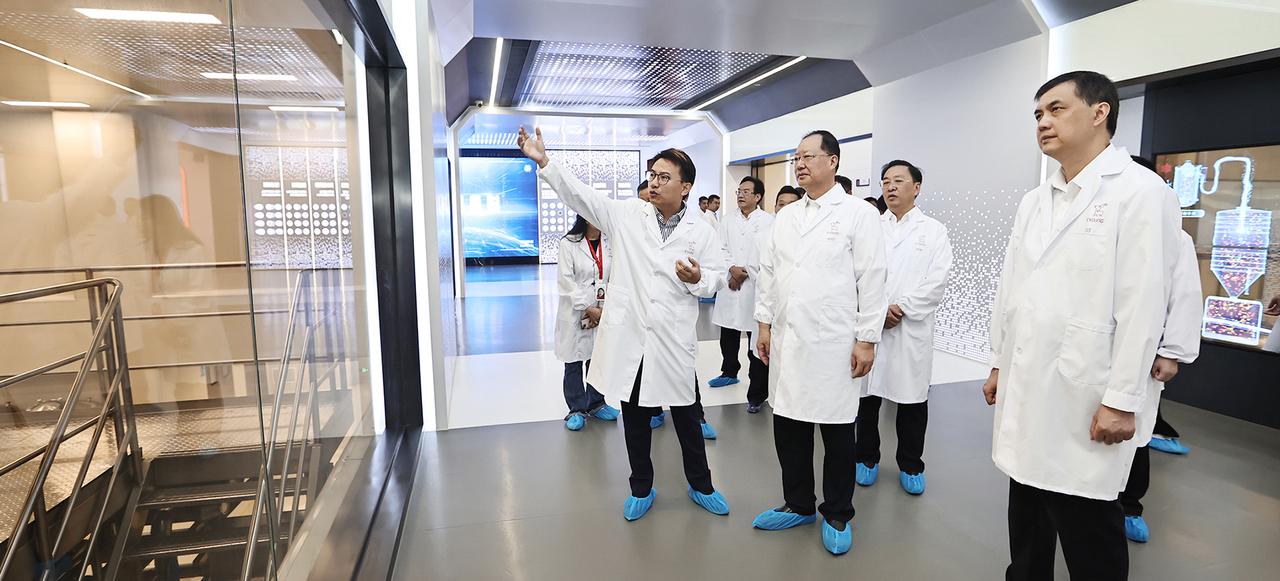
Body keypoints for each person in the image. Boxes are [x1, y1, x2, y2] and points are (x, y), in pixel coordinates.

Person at [984, 71, 1181, 581]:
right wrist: (999, 362)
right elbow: (1013, 290)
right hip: (1029, 380)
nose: (1043, 122)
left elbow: (1143, 304)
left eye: (1056, 109)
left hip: (1087, 389)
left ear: (1100, 113)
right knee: (1026, 509)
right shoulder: (1035, 199)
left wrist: (1122, 399)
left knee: (1086, 522)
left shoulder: (1140, 191)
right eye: (1037, 114)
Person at [518, 126, 732, 521]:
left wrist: (698, 278)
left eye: (664, 177)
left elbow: (717, 277)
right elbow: (581, 195)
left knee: (687, 416)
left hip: (672, 338)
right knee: (634, 417)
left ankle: (702, 484)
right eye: (652, 175)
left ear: (685, 187)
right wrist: (545, 162)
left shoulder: (701, 231)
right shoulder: (628, 215)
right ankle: (641, 487)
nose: (654, 182)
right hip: (632, 335)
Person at [752, 130, 888, 555]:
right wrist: (763, 324)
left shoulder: (857, 214)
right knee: (788, 425)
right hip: (788, 339)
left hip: (833, 342)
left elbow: (873, 278)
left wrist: (867, 339)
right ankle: (798, 504)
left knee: (836, 431)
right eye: (796, 158)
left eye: (808, 156)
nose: (800, 164)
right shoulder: (787, 216)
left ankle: (838, 512)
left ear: (833, 161)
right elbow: (769, 272)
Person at [856, 160, 953, 495]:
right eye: (885, 181)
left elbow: (937, 280)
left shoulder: (934, 231)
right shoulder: (871, 226)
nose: (890, 187)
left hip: (911, 329)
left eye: (898, 180)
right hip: (873, 326)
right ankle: (866, 458)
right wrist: (878, 310)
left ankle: (911, 464)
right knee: (867, 399)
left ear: (917, 187)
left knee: (912, 401)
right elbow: (859, 273)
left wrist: (902, 308)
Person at [1119, 223, 1201, 543]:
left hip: (1142, 351)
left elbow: (1185, 295)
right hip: (1091, 350)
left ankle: (1129, 507)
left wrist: (1172, 352)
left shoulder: (1174, 236)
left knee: (1136, 430)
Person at [707, 177, 774, 415]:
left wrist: (744, 272)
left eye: (746, 191)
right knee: (728, 333)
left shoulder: (769, 221)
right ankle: (729, 372)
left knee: (755, 341)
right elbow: (719, 248)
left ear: (758, 197)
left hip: (754, 286)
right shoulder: (727, 220)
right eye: (739, 191)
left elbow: (767, 254)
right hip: (731, 283)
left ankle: (757, 393)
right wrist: (732, 269)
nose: (741, 195)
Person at [555, 215, 622, 431]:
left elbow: (616, 276)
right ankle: (576, 409)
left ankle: (596, 403)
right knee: (574, 360)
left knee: (597, 359)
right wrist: (587, 308)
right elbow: (566, 281)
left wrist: (604, 308)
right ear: (584, 217)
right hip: (576, 311)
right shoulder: (568, 243)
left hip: (603, 310)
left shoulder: (610, 243)